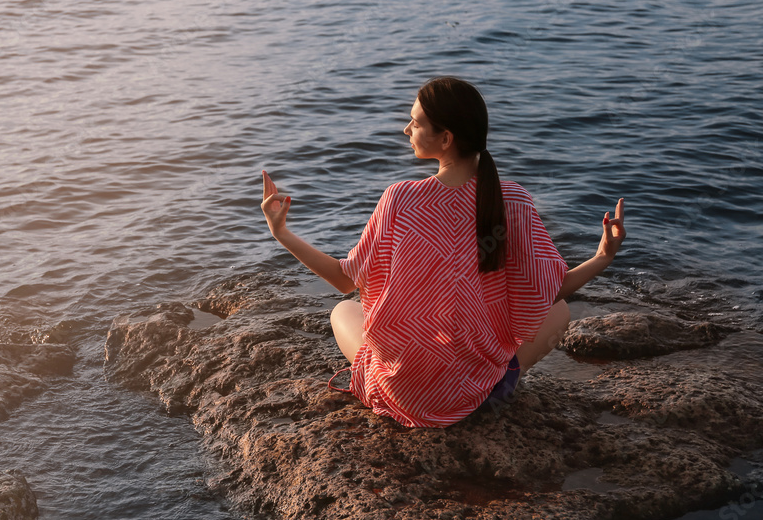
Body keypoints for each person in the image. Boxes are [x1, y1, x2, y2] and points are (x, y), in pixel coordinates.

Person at [260, 76, 626, 428]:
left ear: (446, 138)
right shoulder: (512, 199)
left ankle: (417, 381)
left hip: (404, 394)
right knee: (558, 309)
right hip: (476, 398)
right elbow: (550, 290)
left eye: (415, 123)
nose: (407, 130)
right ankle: (493, 384)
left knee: (344, 310)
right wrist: (602, 257)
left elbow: (343, 281)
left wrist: (282, 233)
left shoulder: (399, 199)